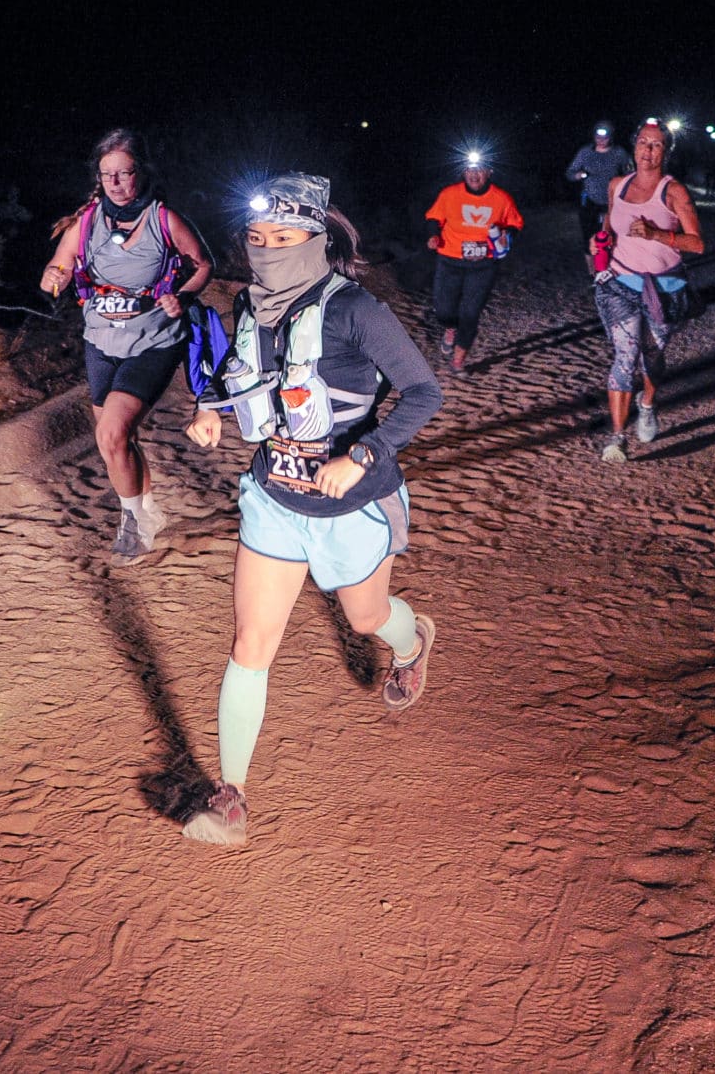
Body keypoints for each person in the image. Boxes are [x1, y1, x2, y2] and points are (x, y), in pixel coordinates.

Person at [180, 173, 444, 847]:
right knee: (250, 642)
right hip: (273, 497)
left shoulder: (357, 311)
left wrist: (363, 454)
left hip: (351, 503)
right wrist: (210, 409)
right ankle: (231, 796)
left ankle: (413, 643)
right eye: (257, 238)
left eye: (284, 237)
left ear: (318, 239)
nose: (268, 250)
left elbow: (423, 392)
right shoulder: (250, 305)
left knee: (366, 617)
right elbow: (239, 373)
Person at [40, 128, 213, 562]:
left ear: (141, 172)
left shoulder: (163, 218)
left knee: (111, 432)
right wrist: (54, 277)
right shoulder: (86, 222)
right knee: (117, 441)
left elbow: (202, 264)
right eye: (107, 175)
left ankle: (133, 524)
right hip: (100, 340)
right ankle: (148, 511)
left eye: (125, 173)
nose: (115, 183)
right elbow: (57, 268)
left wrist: (182, 295)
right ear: (98, 177)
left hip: (153, 340)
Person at [592, 119, 703, 462]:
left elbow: (697, 244)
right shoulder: (617, 185)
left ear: (665, 152)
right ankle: (617, 437)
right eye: (643, 142)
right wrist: (600, 245)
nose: (648, 150)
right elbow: (609, 225)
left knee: (651, 357)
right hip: (620, 284)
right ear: (634, 145)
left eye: (656, 145)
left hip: (664, 289)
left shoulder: (674, 191)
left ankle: (648, 404)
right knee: (625, 357)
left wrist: (657, 235)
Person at [423, 153, 524, 374]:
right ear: (464, 172)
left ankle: (459, 359)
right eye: (470, 170)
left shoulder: (501, 198)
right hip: (450, 259)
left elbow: (515, 223)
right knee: (443, 309)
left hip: (483, 264)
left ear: (489, 173)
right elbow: (433, 217)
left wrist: (507, 235)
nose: (474, 175)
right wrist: (433, 235)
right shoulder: (450, 194)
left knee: (471, 312)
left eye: (479, 170)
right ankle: (450, 328)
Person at [564, 121, 628, 253]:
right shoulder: (585, 152)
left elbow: (630, 173)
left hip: (612, 202)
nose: (601, 141)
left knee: (609, 237)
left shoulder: (619, 153)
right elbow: (570, 173)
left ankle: (610, 262)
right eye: (598, 137)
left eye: (605, 138)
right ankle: (591, 265)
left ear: (611, 137)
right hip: (589, 201)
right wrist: (578, 175)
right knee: (589, 237)